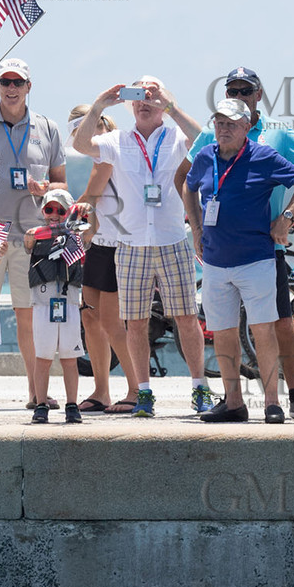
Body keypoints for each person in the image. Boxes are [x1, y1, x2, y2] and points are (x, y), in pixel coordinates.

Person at [70, 76, 210, 418]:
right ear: (130, 103)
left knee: (187, 318)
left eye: (151, 95)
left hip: (172, 239)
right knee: (135, 321)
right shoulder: (117, 140)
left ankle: (200, 388)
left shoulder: (176, 137)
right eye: (138, 96)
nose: (144, 101)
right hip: (131, 244)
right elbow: (80, 144)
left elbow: (205, 141)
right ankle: (143, 393)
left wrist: (171, 106)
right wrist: (101, 104)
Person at [188, 67, 294, 420]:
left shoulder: (277, 134)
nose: (238, 94)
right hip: (218, 254)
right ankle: (234, 402)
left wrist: (287, 215)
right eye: (232, 90)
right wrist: (197, 228)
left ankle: (288, 398)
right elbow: (187, 181)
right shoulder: (208, 141)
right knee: (225, 329)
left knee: (277, 323)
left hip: (265, 246)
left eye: (244, 89)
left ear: (258, 95)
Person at [0, 59, 66, 411]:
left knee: (30, 315)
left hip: (30, 235)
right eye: (5, 82)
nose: (11, 88)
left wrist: (46, 188)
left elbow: (61, 184)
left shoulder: (48, 128)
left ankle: (37, 392)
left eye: (17, 82)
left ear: (28, 87)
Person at [66, 105, 139, 415]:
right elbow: (90, 204)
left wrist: (60, 209)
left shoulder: (109, 148)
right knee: (90, 318)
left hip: (118, 243)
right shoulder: (102, 152)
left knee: (111, 320)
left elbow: (90, 196)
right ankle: (101, 391)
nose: (78, 137)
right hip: (99, 243)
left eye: (80, 129)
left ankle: (137, 390)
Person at [24, 190, 96, 425]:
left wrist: (85, 213)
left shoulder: (77, 233)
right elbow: (27, 242)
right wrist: (34, 236)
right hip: (44, 302)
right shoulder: (35, 235)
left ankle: (72, 404)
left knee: (69, 357)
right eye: (49, 209)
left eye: (60, 210)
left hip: (69, 301)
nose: (54, 215)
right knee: (42, 357)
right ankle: (41, 403)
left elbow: (90, 234)